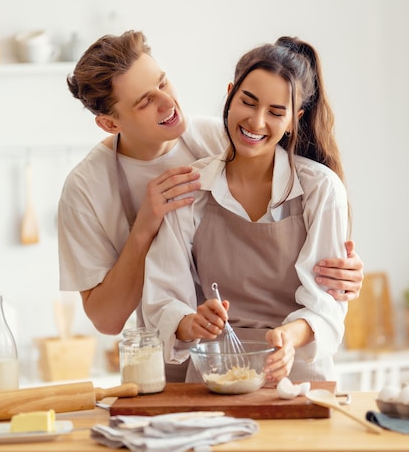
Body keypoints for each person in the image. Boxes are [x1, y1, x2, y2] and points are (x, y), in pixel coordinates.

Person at [58, 31, 363, 364]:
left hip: (252, 355)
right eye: (144, 102)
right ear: (108, 123)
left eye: (163, 83)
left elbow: (300, 223)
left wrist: (341, 274)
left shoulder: (227, 138)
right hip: (167, 360)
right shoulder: (84, 189)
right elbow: (106, 320)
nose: (167, 102)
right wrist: (145, 226)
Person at [141, 36, 350, 384]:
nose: (256, 122)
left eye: (276, 112)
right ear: (230, 94)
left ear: (294, 120)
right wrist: (191, 322)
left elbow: (327, 304)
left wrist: (288, 337)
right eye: (248, 103)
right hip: (214, 379)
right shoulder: (190, 189)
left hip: (297, 382)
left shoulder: (321, 190)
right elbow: (162, 299)